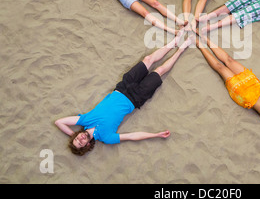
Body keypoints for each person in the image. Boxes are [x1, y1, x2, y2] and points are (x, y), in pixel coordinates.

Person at [55, 30, 193, 156]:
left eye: (77, 139)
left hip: (123, 87)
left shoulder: (84, 120)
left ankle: (174, 42)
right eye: (80, 143)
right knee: (160, 71)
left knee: (148, 59)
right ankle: (181, 49)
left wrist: (73, 135)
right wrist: (155, 135)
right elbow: (131, 136)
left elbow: (59, 122)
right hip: (135, 98)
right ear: (87, 145)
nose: (80, 139)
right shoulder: (106, 137)